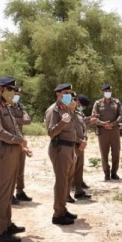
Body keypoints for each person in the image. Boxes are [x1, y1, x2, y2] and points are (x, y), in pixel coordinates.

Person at [0, 76, 29, 242]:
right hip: (2, 150)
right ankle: (1, 232)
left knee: (9, 191)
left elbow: (15, 126)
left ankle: (7, 224)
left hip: (11, 149)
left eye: (13, 89)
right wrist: (19, 140)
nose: (12, 92)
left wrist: (21, 145)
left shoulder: (7, 105)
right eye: (9, 89)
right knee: (2, 192)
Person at [45, 83, 81, 225]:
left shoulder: (68, 108)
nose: (69, 95)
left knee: (66, 181)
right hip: (60, 148)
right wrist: (61, 122)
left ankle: (63, 209)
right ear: (58, 94)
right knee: (61, 182)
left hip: (69, 149)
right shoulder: (53, 110)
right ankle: (58, 215)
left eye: (70, 92)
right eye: (66, 92)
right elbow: (51, 132)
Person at [92, 84, 122, 181]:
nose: (108, 93)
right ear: (103, 92)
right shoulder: (98, 103)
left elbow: (121, 115)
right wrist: (102, 124)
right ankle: (106, 173)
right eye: (106, 91)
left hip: (114, 130)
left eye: (109, 91)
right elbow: (94, 117)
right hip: (103, 131)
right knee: (104, 153)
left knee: (116, 152)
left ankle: (114, 172)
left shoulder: (116, 102)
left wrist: (114, 123)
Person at [8, 86, 33, 204]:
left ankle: (20, 191)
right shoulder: (6, 107)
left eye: (18, 94)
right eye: (15, 93)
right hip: (10, 140)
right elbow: (8, 121)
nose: (17, 96)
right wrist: (19, 119)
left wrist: (15, 119)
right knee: (11, 169)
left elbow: (28, 120)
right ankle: (10, 194)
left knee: (20, 168)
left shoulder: (19, 107)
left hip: (21, 140)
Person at [70, 94, 93, 199]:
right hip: (71, 145)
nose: (75, 102)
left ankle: (78, 191)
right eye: (73, 100)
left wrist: (84, 140)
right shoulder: (66, 114)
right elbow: (68, 132)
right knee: (70, 170)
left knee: (79, 169)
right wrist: (80, 141)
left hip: (80, 145)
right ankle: (66, 193)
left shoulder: (78, 114)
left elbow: (83, 128)